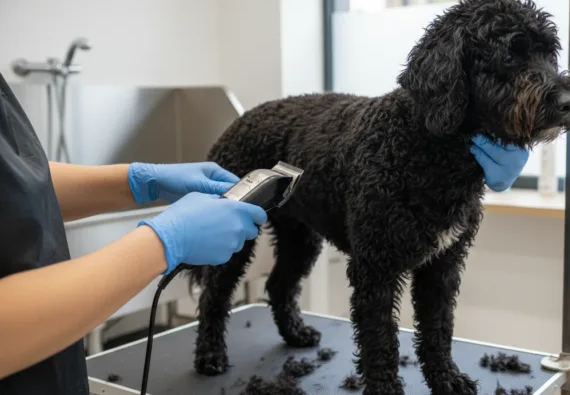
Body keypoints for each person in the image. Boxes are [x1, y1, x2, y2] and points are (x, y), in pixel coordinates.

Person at [0, 70, 529, 394]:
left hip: (47, 372)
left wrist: (139, 180)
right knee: (229, 267)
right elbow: (373, 282)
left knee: (301, 251)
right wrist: (164, 241)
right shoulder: (384, 157)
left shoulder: (465, 176)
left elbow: (20, 179)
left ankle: (423, 363)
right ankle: (211, 335)